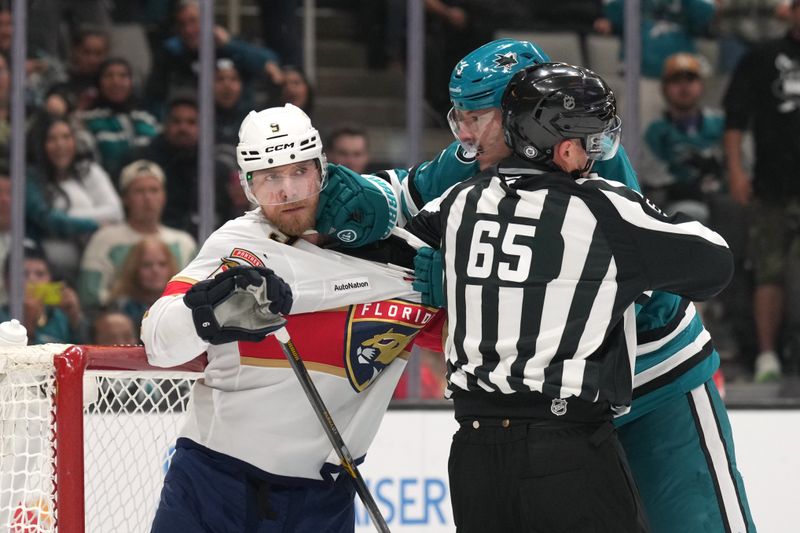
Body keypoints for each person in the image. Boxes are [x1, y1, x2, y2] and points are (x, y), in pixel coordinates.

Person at [323, 39, 755, 533]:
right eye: (458, 116)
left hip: (655, 375)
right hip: (563, 415)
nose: (464, 133)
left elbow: (648, 268)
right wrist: (356, 201)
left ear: (523, 111)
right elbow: (410, 195)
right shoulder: (484, 156)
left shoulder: (588, 164)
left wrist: (466, 270)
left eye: (476, 116)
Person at [141, 103, 456, 532]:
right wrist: (208, 311)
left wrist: (458, 292)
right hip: (216, 484)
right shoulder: (238, 246)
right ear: (247, 186)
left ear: (322, 169)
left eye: (298, 172)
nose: (288, 191)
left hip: (323, 500)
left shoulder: (399, 261)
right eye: (270, 178)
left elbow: (464, 346)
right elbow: (158, 341)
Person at [724, 0, 800, 382]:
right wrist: (737, 170)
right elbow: (735, 118)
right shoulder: (763, 57)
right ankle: (767, 355)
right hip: (772, 184)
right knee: (767, 272)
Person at [78, 159, 196, 310]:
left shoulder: (184, 242)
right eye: (139, 191)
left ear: (164, 196)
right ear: (125, 198)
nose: (148, 198)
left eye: (154, 190)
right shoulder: (105, 239)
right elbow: (90, 295)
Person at [78, 57, 160, 179]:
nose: (116, 82)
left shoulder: (146, 120)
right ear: (99, 82)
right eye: (109, 76)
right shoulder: (87, 121)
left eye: (123, 76)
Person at [108, 237, 178, 334]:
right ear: (134, 269)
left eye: (162, 264)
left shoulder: (181, 304)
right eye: (147, 265)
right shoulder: (121, 308)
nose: (155, 271)